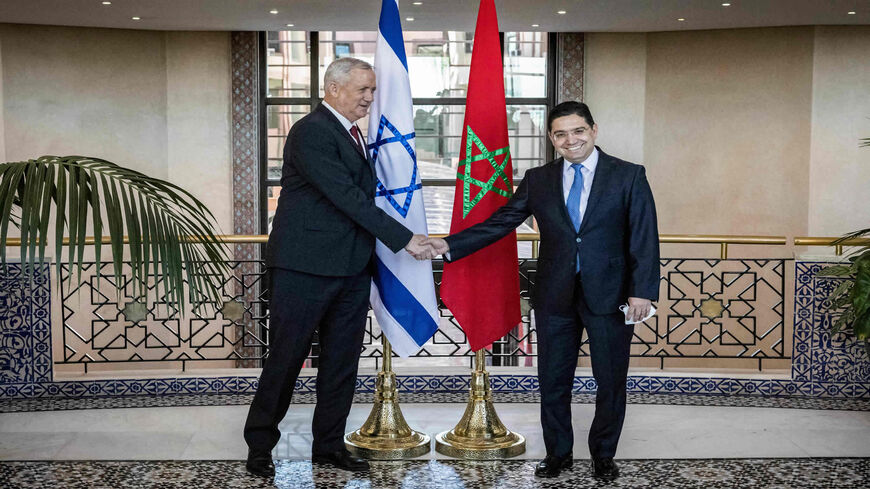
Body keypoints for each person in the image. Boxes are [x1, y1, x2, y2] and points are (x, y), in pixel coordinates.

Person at [424, 101, 660, 480]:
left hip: (611, 296)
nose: (571, 140)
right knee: (552, 380)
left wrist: (642, 292)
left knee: (611, 381)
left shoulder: (628, 175)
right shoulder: (539, 179)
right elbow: (503, 221)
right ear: (552, 139)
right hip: (554, 297)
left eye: (578, 131)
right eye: (561, 134)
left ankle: (603, 455)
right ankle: (558, 454)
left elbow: (644, 236)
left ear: (593, 131)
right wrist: (449, 245)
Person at [243, 57, 434, 477]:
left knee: (341, 365)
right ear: (333, 89)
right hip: (304, 270)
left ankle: (328, 447)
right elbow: (346, 196)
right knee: (286, 361)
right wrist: (404, 238)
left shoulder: (353, 135)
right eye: (363, 90)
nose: (370, 98)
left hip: (350, 270)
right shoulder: (311, 131)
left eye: (372, 90)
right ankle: (260, 446)